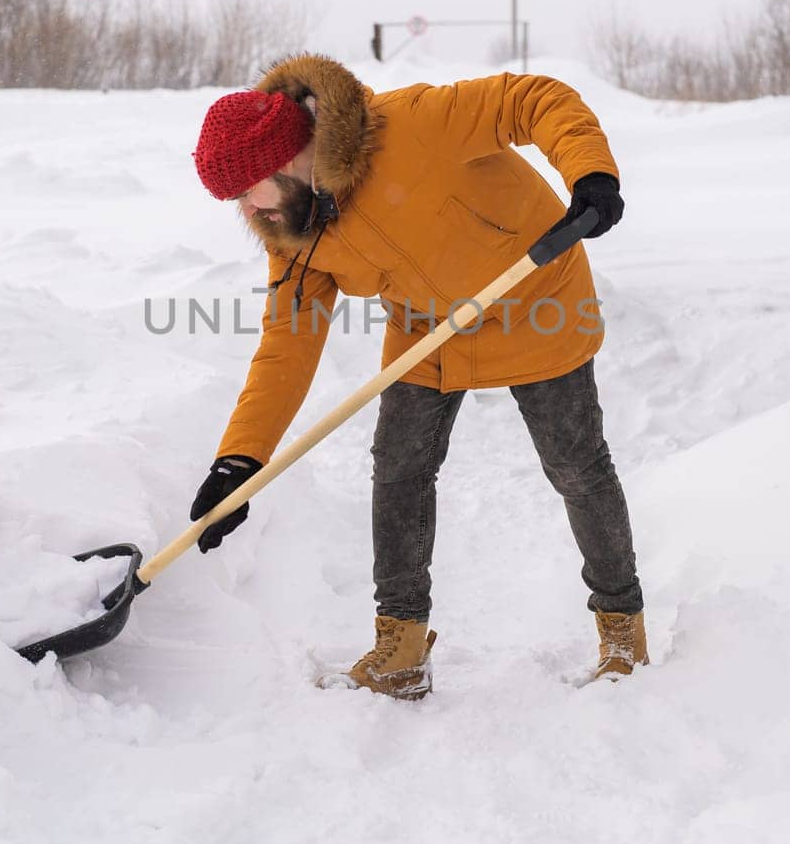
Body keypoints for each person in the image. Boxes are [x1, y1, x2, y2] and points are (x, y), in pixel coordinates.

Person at [188, 53, 646, 699]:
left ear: (288, 158)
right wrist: (239, 461)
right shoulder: (293, 231)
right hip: (429, 329)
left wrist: (590, 173)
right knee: (399, 470)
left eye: (246, 188)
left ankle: (623, 629)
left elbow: (531, 98)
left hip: (536, 295)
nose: (246, 207)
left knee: (576, 465)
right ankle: (399, 648)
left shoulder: (408, 126)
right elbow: (286, 345)